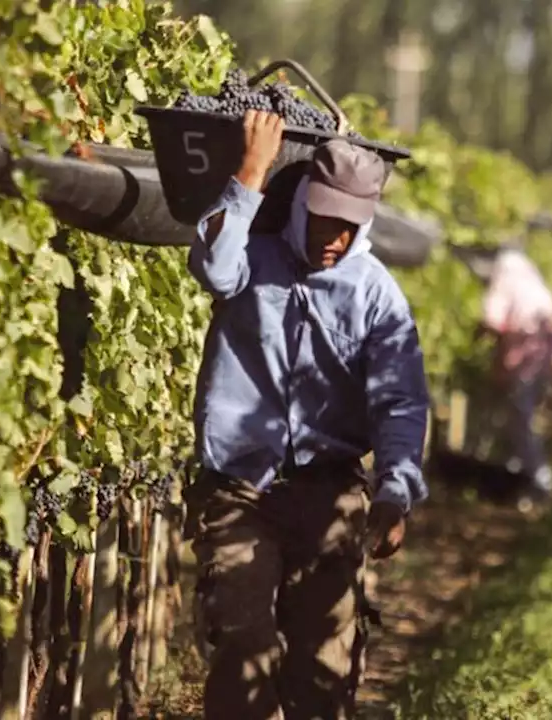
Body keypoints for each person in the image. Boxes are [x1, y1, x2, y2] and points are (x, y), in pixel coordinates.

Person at [184, 109, 430, 720]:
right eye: (324, 220)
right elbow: (213, 268)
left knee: (324, 669)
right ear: (301, 205)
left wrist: (396, 490)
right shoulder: (254, 258)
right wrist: (250, 174)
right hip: (240, 487)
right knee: (244, 642)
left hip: (331, 491)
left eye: (349, 228)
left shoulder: (376, 295)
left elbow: (401, 401)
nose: (333, 239)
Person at [477, 246, 552, 510]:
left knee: (519, 421)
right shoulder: (535, 284)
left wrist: (478, 337)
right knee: (520, 420)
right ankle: (519, 478)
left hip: (523, 361)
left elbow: (492, 319)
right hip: (540, 362)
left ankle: (539, 480)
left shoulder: (506, 280)